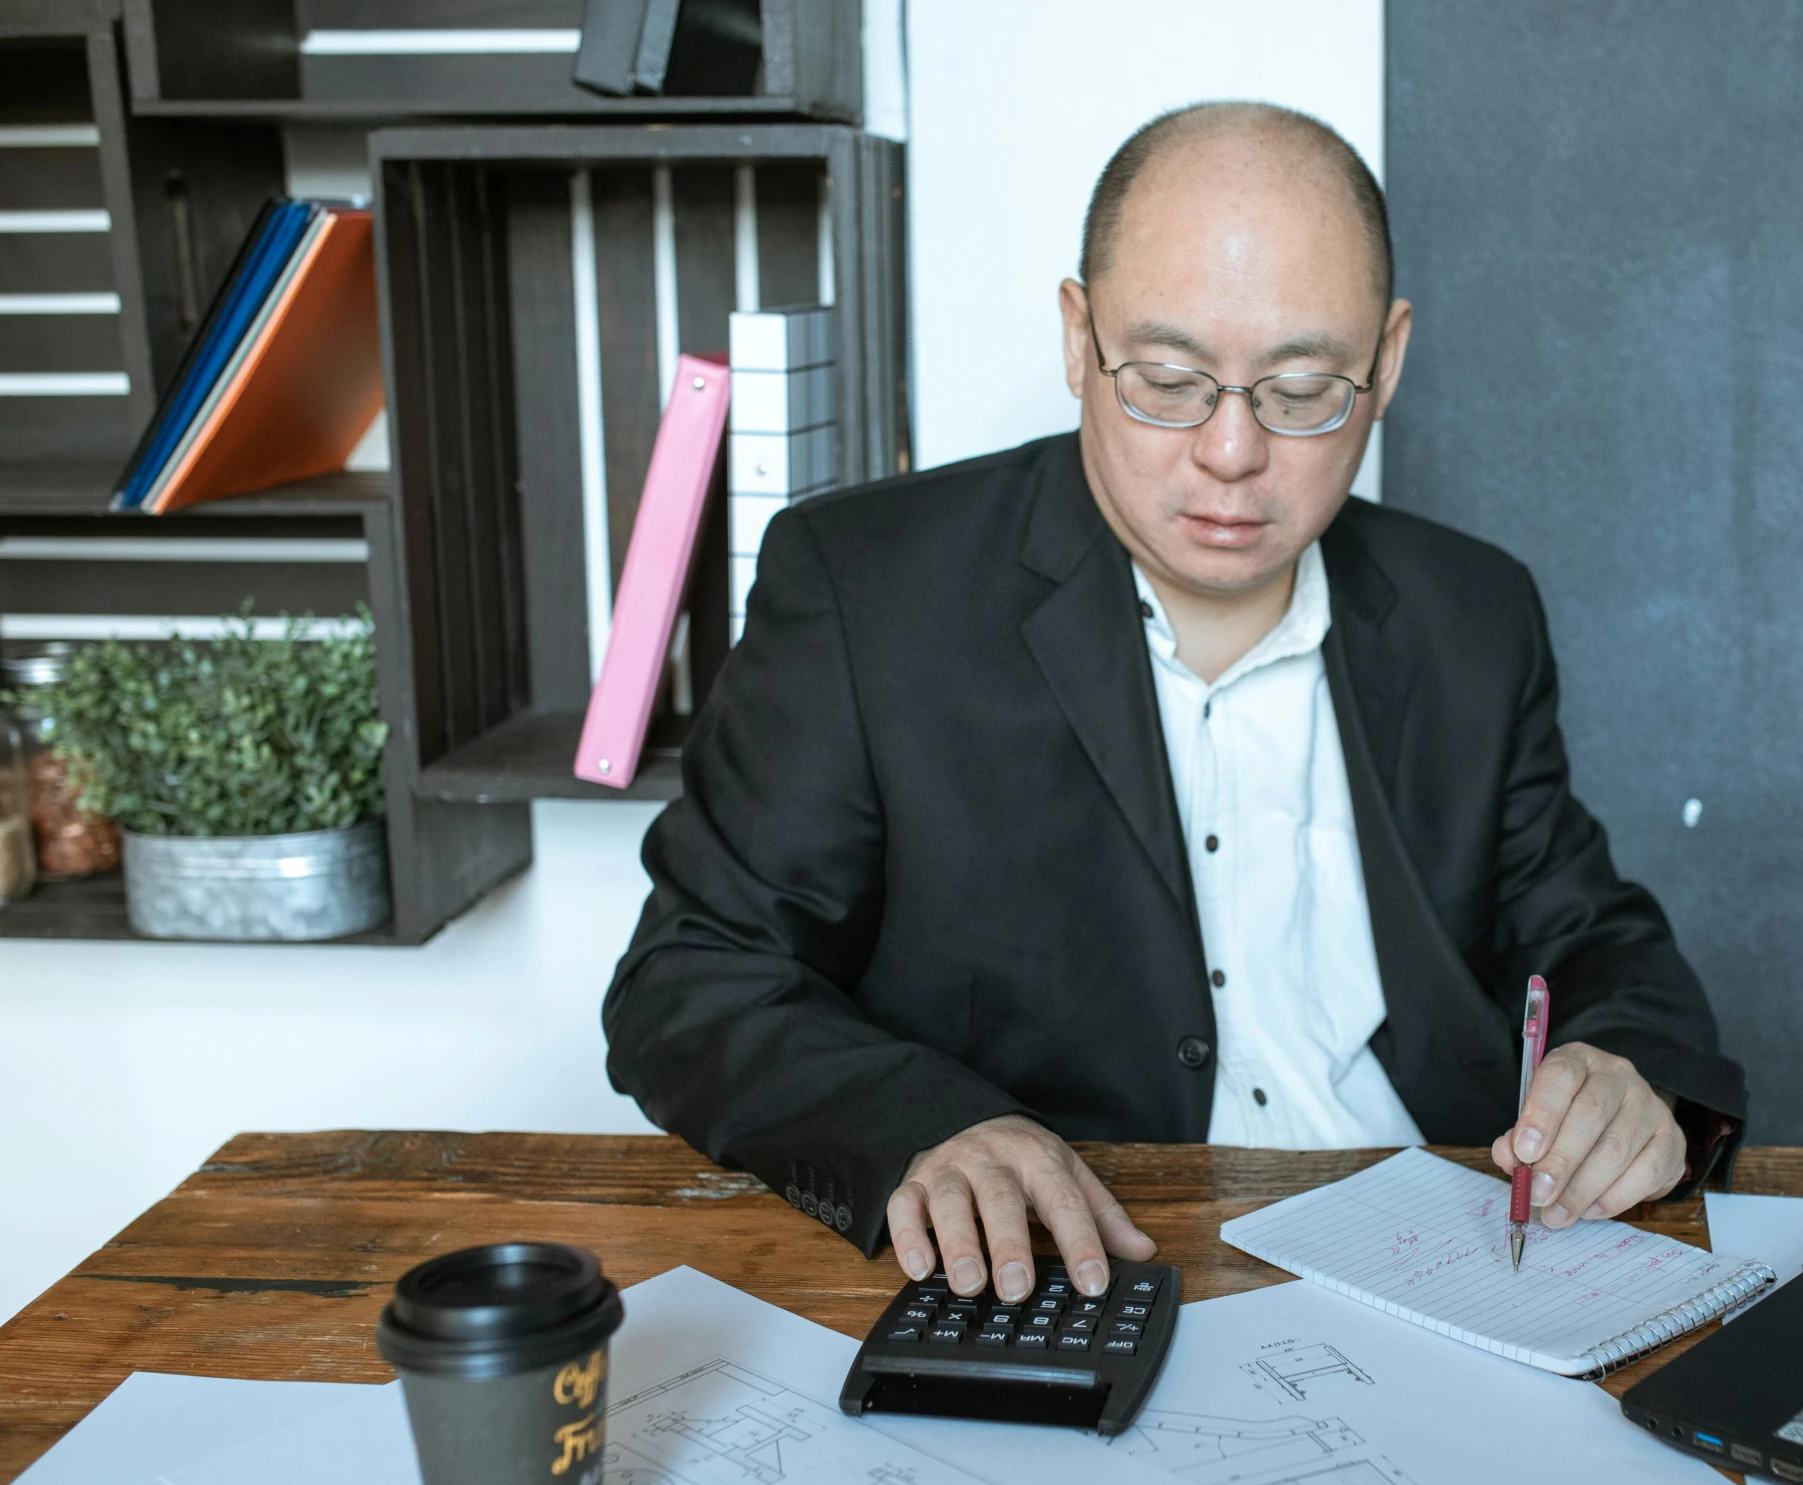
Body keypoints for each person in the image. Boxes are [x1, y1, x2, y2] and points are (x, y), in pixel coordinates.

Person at [604, 101, 1745, 1306]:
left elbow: (1591, 941)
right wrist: (917, 1128)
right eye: (1166, 380)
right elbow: (690, 977)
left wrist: (1631, 1073)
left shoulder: (1472, 611)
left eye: (1303, 390)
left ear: (1388, 360)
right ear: (1075, 335)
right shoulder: (865, 591)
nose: (1232, 452)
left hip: (1451, 1256)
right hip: (1078, 1265)